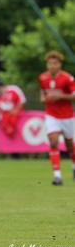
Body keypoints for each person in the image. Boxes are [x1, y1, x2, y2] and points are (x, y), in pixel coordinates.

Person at [38, 50, 75, 185]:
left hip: (67, 116)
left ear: (60, 65)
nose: (52, 66)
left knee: (70, 146)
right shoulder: (42, 78)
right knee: (53, 141)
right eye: (50, 63)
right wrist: (45, 99)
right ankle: (57, 176)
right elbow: (42, 96)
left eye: (55, 63)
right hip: (51, 115)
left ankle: (74, 166)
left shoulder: (67, 78)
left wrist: (61, 96)